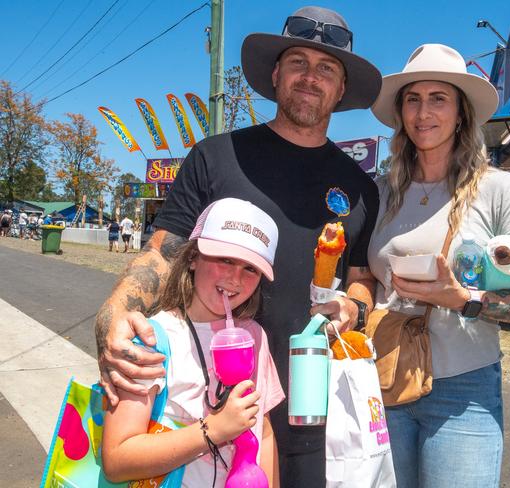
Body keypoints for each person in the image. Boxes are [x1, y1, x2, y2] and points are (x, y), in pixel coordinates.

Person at [94, 6, 381, 486]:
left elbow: (362, 278)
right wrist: (114, 322)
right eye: (298, 63)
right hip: (208, 403)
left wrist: (355, 305)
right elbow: (161, 255)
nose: (311, 77)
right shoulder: (216, 156)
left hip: (318, 407)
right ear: (275, 74)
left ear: (341, 87)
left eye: (326, 68)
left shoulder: (358, 187)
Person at [367, 44, 510, 487]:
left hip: (463, 391)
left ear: (461, 112)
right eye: (413, 98)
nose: (424, 112)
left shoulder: (498, 189)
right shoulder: (381, 191)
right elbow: (365, 277)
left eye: (438, 98)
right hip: (385, 379)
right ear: (401, 111)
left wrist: (465, 300)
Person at [102, 198, 284, 487]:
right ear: (192, 257)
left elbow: (264, 432)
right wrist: (213, 429)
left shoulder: (254, 337)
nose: (235, 278)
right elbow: (117, 458)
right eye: (225, 259)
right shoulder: (154, 339)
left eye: (251, 269)